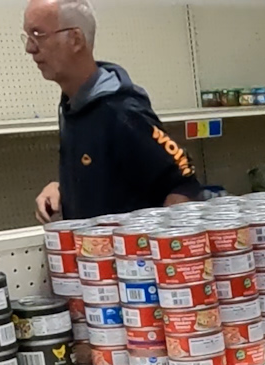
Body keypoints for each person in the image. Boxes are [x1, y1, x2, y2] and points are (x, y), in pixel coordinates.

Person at [23, 0, 204, 222]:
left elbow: (183, 182)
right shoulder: (73, 105)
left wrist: (164, 246)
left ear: (75, 39)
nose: (29, 48)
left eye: (38, 35)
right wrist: (63, 190)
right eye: (28, 36)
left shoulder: (121, 111)